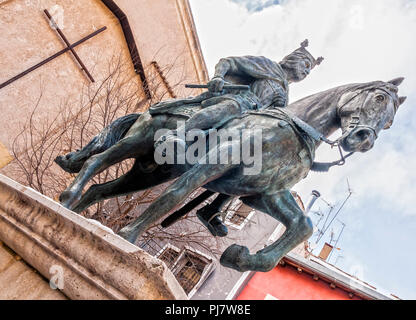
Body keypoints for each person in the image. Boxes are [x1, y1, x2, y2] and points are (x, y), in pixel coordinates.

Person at [152, 39, 324, 156]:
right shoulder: (268, 65)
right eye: (306, 65)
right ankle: (176, 136)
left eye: (309, 71)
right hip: (241, 102)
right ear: (294, 59)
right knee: (232, 108)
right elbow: (229, 62)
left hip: (254, 120)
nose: (306, 72)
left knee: (253, 150)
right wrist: (218, 77)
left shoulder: (286, 94)